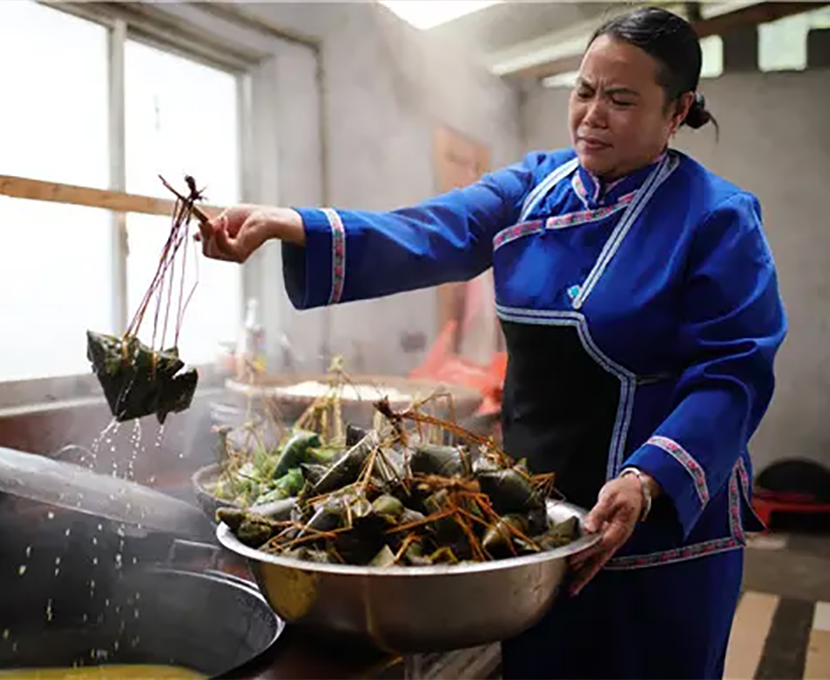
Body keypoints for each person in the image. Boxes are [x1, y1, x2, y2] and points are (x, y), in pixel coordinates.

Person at [197, 6, 788, 679]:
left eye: (621, 100)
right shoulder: (532, 189)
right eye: (584, 91)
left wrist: (647, 479)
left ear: (676, 111)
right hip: (535, 521)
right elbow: (429, 231)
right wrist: (287, 224)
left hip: (659, 526)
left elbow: (732, 372)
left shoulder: (714, 218)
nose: (593, 115)